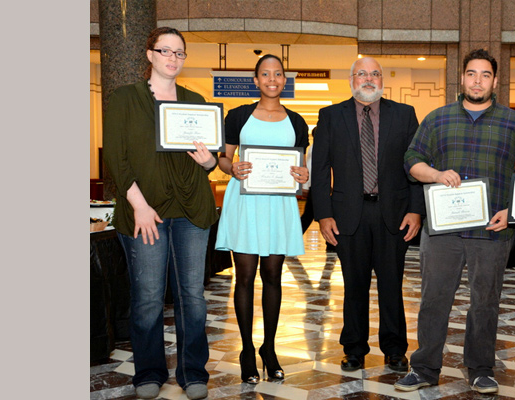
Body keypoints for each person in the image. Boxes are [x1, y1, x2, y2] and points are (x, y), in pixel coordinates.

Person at [393, 49, 515, 395]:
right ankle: (423, 368)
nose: (477, 80)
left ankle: (480, 369)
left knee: (485, 302)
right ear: (462, 78)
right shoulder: (437, 119)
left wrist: (512, 212)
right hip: (443, 231)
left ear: (495, 81)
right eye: (471, 74)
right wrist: (436, 174)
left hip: (493, 230)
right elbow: (411, 160)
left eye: (485, 75)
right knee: (434, 299)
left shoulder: (514, 123)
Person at [102, 27, 214, 400]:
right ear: (149, 54)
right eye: (165, 51)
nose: (173, 58)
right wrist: (140, 206)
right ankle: (149, 371)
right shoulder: (123, 99)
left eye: (180, 53)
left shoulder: (197, 101)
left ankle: (193, 372)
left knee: (192, 297)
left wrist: (210, 160)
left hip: (191, 210)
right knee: (148, 295)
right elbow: (116, 159)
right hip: (143, 211)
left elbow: (211, 159)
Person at [311, 56, 424, 373]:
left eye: (375, 73)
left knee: (392, 286)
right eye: (362, 73)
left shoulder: (404, 115)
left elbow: (415, 165)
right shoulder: (331, 116)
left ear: (383, 80)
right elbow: (319, 171)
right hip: (348, 215)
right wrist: (323, 215)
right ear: (351, 79)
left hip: (394, 215)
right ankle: (354, 349)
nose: (368, 79)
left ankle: (394, 349)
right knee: (354, 286)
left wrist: (416, 210)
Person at [214, 54, 310, 384]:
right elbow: (223, 160)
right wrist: (232, 168)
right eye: (265, 74)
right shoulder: (238, 116)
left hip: (278, 205)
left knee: (273, 275)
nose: (272, 78)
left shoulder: (297, 122)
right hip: (244, 201)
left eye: (278, 73)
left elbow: (301, 168)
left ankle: (269, 349)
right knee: (244, 277)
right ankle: (245, 350)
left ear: (286, 80)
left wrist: (303, 174)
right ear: (255, 81)